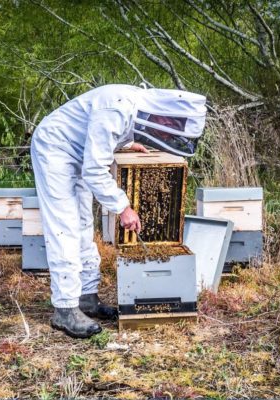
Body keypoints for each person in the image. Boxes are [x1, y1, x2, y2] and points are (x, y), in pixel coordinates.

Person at [30, 84, 207, 338]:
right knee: (64, 227)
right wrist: (123, 208)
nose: (166, 135)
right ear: (166, 117)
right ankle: (65, 309)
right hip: (55, 149)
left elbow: (110, 132)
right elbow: (95, 169)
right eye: (170, 129)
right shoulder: (117, 108)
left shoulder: (133, 109)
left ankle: (86, 297)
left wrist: (128, 142)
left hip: (78, 152)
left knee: (83, 224)